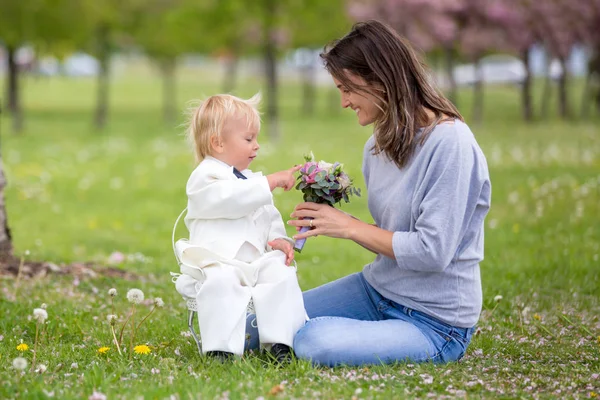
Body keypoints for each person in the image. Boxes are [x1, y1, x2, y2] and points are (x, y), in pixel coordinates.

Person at [246, 20, 491, 367]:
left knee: (312, 341)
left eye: (347, 88)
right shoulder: (377, 146)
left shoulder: (450, 144)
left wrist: (347, 226)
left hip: (434, 321)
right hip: (377, 291)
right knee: (254, 325)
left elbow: (432, 252)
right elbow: (390, 235)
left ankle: (350, 333)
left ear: (380, 78)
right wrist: (329, 221)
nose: (344, 101)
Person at [174, 93, 307, 362]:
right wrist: (268, 182)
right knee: (221, 284)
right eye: (248, 139)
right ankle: (220, 348)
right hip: (216, 260)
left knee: (281, 273)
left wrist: (278, 239)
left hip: (253, 260)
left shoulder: (249, 179)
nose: (256, 146)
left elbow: (267, 215)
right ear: (217, 143)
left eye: (256, 138)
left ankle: (281, 342)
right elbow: (230, 199)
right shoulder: (205, 177)